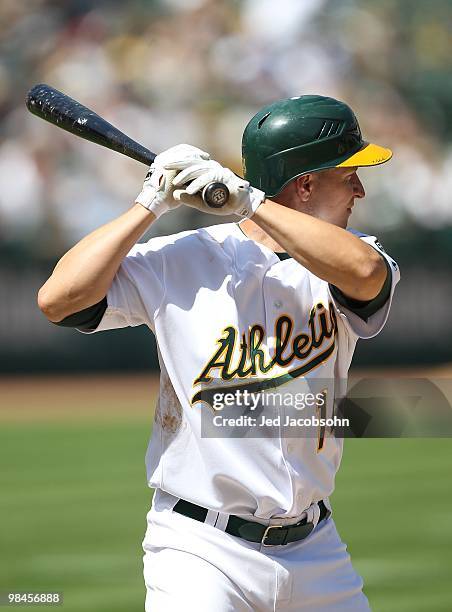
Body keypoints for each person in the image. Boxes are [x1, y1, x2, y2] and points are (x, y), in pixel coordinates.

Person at [38, 95, 400, 611]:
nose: (360, 189)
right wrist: (151, 202)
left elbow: (365, 275)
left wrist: (249, 201)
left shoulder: (352, 255)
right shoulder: (181, 259)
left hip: (317, 549)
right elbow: (58, 300)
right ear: (305, 184)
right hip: (199, 549)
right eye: (348, 175)